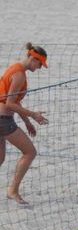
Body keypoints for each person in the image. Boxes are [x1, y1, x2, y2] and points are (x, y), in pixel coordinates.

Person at [0, 43, 49, 205]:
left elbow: (13, 102)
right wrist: (34, 115)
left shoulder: (14, 68)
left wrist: (27, 121)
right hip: (3, 120)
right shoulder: (19, 75)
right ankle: (12, 191)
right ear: (33, 58)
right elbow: (9, 104)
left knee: (0, 158)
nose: (40, 67)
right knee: (29, 152)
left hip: (3, 118)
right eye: (40, 64)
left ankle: (12, 191)